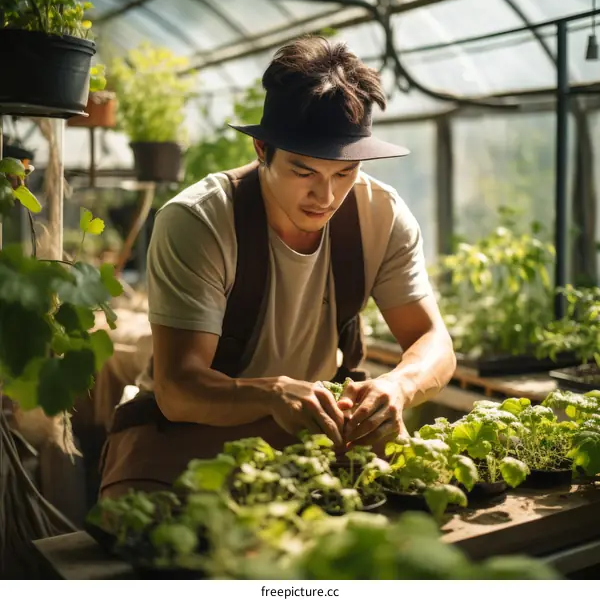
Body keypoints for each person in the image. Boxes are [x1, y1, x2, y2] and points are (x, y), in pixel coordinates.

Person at [98, 35, 456, 499]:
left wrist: (399, 386)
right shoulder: (199, 221)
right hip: (190, 428)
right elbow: (179, 387)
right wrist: (271, 393)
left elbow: (434, 340)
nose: (325, 196)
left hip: (320, 426)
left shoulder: (380, 215)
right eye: (304, 171)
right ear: (262, 150)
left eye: (344, 173)